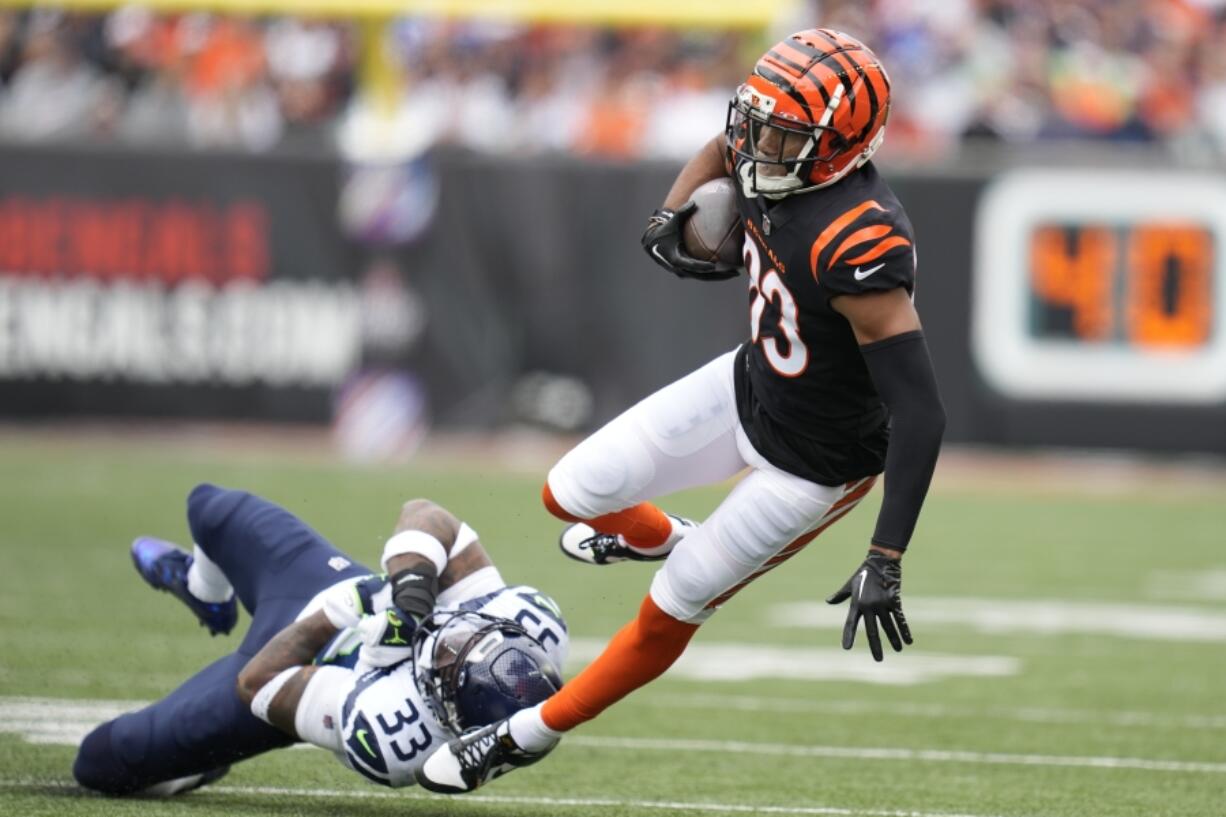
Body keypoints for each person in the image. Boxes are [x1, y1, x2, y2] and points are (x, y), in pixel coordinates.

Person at [417, 28, 946, 794]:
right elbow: (724, 147)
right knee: (569, 490)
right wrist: (672, 213)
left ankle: (523, 735)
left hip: (813, 468)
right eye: (759, 121)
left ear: (839, 144)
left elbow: (922, 412)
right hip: (749, 386)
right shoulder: (773, 153)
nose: (760, 143)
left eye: (785, 133)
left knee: (671, 608)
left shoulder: (859, 241)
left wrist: (887, 556)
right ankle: (667, 535)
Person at [72, 483, 567, 795]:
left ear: (445, 710)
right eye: (464, 632)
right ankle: (205, 591)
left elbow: (257, 682)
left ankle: (198, 766)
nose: (446, 635)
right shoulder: (530, 624)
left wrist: (336, 613)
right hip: (318, 582)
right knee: (209, 506)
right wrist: (412, 594)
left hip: (299, 665)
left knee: (102, 760)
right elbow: (428, 515)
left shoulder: (395, 738)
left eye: (445, 661)